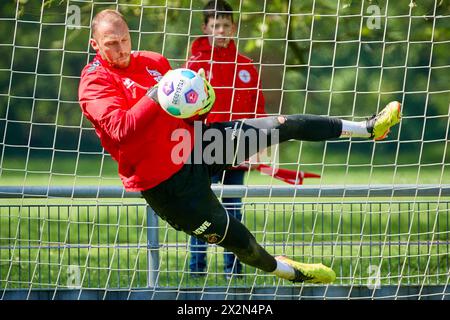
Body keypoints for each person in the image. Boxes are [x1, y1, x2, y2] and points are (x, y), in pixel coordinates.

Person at [78, 9, 401, 284]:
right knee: (235, 236)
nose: (121, 49)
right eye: (111, 44)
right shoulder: (94, 82)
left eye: (124, 40)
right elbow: (121, 129)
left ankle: (367, 128)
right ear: (95, 45)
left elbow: (185, 112)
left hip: (196, 145)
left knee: (282, 126)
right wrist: (158, 92)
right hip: (166, 184)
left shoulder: (153, 61)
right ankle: (290, 272)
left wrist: (201, 100)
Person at [185, 0, 267, 279]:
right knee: (201, 212)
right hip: (203, 147)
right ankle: (197, 270)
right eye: (215, 25)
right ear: (205, 28)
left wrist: (257, 147)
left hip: (237, 148)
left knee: (233, 212)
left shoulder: (245, 66)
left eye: (225, 25)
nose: (221, 31)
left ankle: (234, 269)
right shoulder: (194, 66)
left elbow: (258, 110)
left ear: (233, 27)